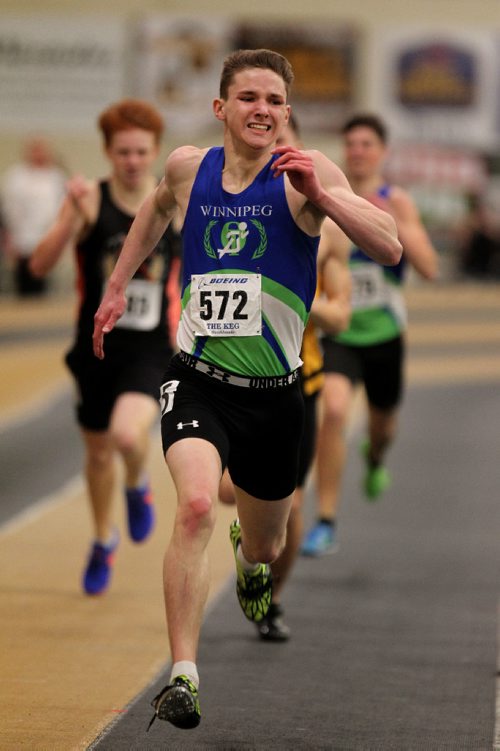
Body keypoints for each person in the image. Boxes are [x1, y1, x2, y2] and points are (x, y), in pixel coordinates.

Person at [92, 50, 402, 731]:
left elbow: (389, 247)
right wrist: (117, 285)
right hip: (197, 380)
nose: (263, 108)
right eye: (249, 96)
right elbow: (152, 210)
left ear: (285, 112)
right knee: (198, 503)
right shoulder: (186, 168)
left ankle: (251, 563)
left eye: (274, 99)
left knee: (265, 543)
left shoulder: (307, 174)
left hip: (275, 396)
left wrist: (325, 202)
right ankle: (184, 675)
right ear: (221, 108)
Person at [30, 99, 181, 595]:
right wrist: (67, 215)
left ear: (155, 152)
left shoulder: (173, 203)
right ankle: (102, 538)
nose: (133, 161)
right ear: (108, 153)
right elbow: (39, 265)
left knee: (125, 436)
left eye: (141, 152)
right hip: (93, 346)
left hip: (149, 348)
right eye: (123, 152)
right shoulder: (90, 200)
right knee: (96, 454)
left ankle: (138, 484)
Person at [218, 114, 353, 642]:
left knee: (289, 507)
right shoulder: (229, 207)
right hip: (230, 377)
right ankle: (250, 546)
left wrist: (291, 298)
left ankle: (271, 598)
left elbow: (341, 315)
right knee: (229, 493)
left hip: (297, 382)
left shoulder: (325, 227)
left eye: (289, 145)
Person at [301, 112, 439, 557]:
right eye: (352, 144)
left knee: (382, 427)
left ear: (382, 152)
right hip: (340, 333)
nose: (358, 152)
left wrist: (389, 221)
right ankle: (325, 521)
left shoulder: (395, 200)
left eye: (367, 145)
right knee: (335, 411)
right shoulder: (324, 197)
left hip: (384, 335)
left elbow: (429, 268)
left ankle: (375, 456)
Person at [1, 137, 67, 295]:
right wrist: (8, 238)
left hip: (46, 238)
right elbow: (8, 210)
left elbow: (62, 210)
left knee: (43, 281)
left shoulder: (56, 177)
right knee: (23, 282)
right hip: (21, 239)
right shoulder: (16, 177)